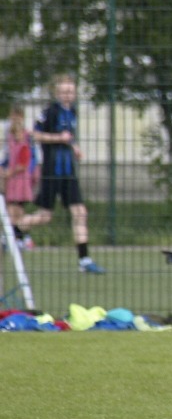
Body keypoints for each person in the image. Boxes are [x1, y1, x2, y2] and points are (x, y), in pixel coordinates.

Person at [32, 75, 105, 274]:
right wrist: (58, 138)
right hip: (51, 171)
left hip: (68, 172)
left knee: (80, 212)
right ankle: (13, 232)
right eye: (64, 92)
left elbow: (67, 137)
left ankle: (85, 260)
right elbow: (35, 134)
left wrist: (74, 147)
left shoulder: (72, 111)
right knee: (45, 217)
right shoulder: (50, 112)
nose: (67, 95)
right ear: (57, 93)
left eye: (71, 91)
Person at [3, 106, 47, 249]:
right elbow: (8, 157)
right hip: (12, 178)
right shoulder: (9, 137)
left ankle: (19, 237)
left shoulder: (28, 137)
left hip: (22, 178)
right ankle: (16, 237)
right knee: (12, 208)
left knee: (17, 207)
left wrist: (31, 174)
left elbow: (28, 160)